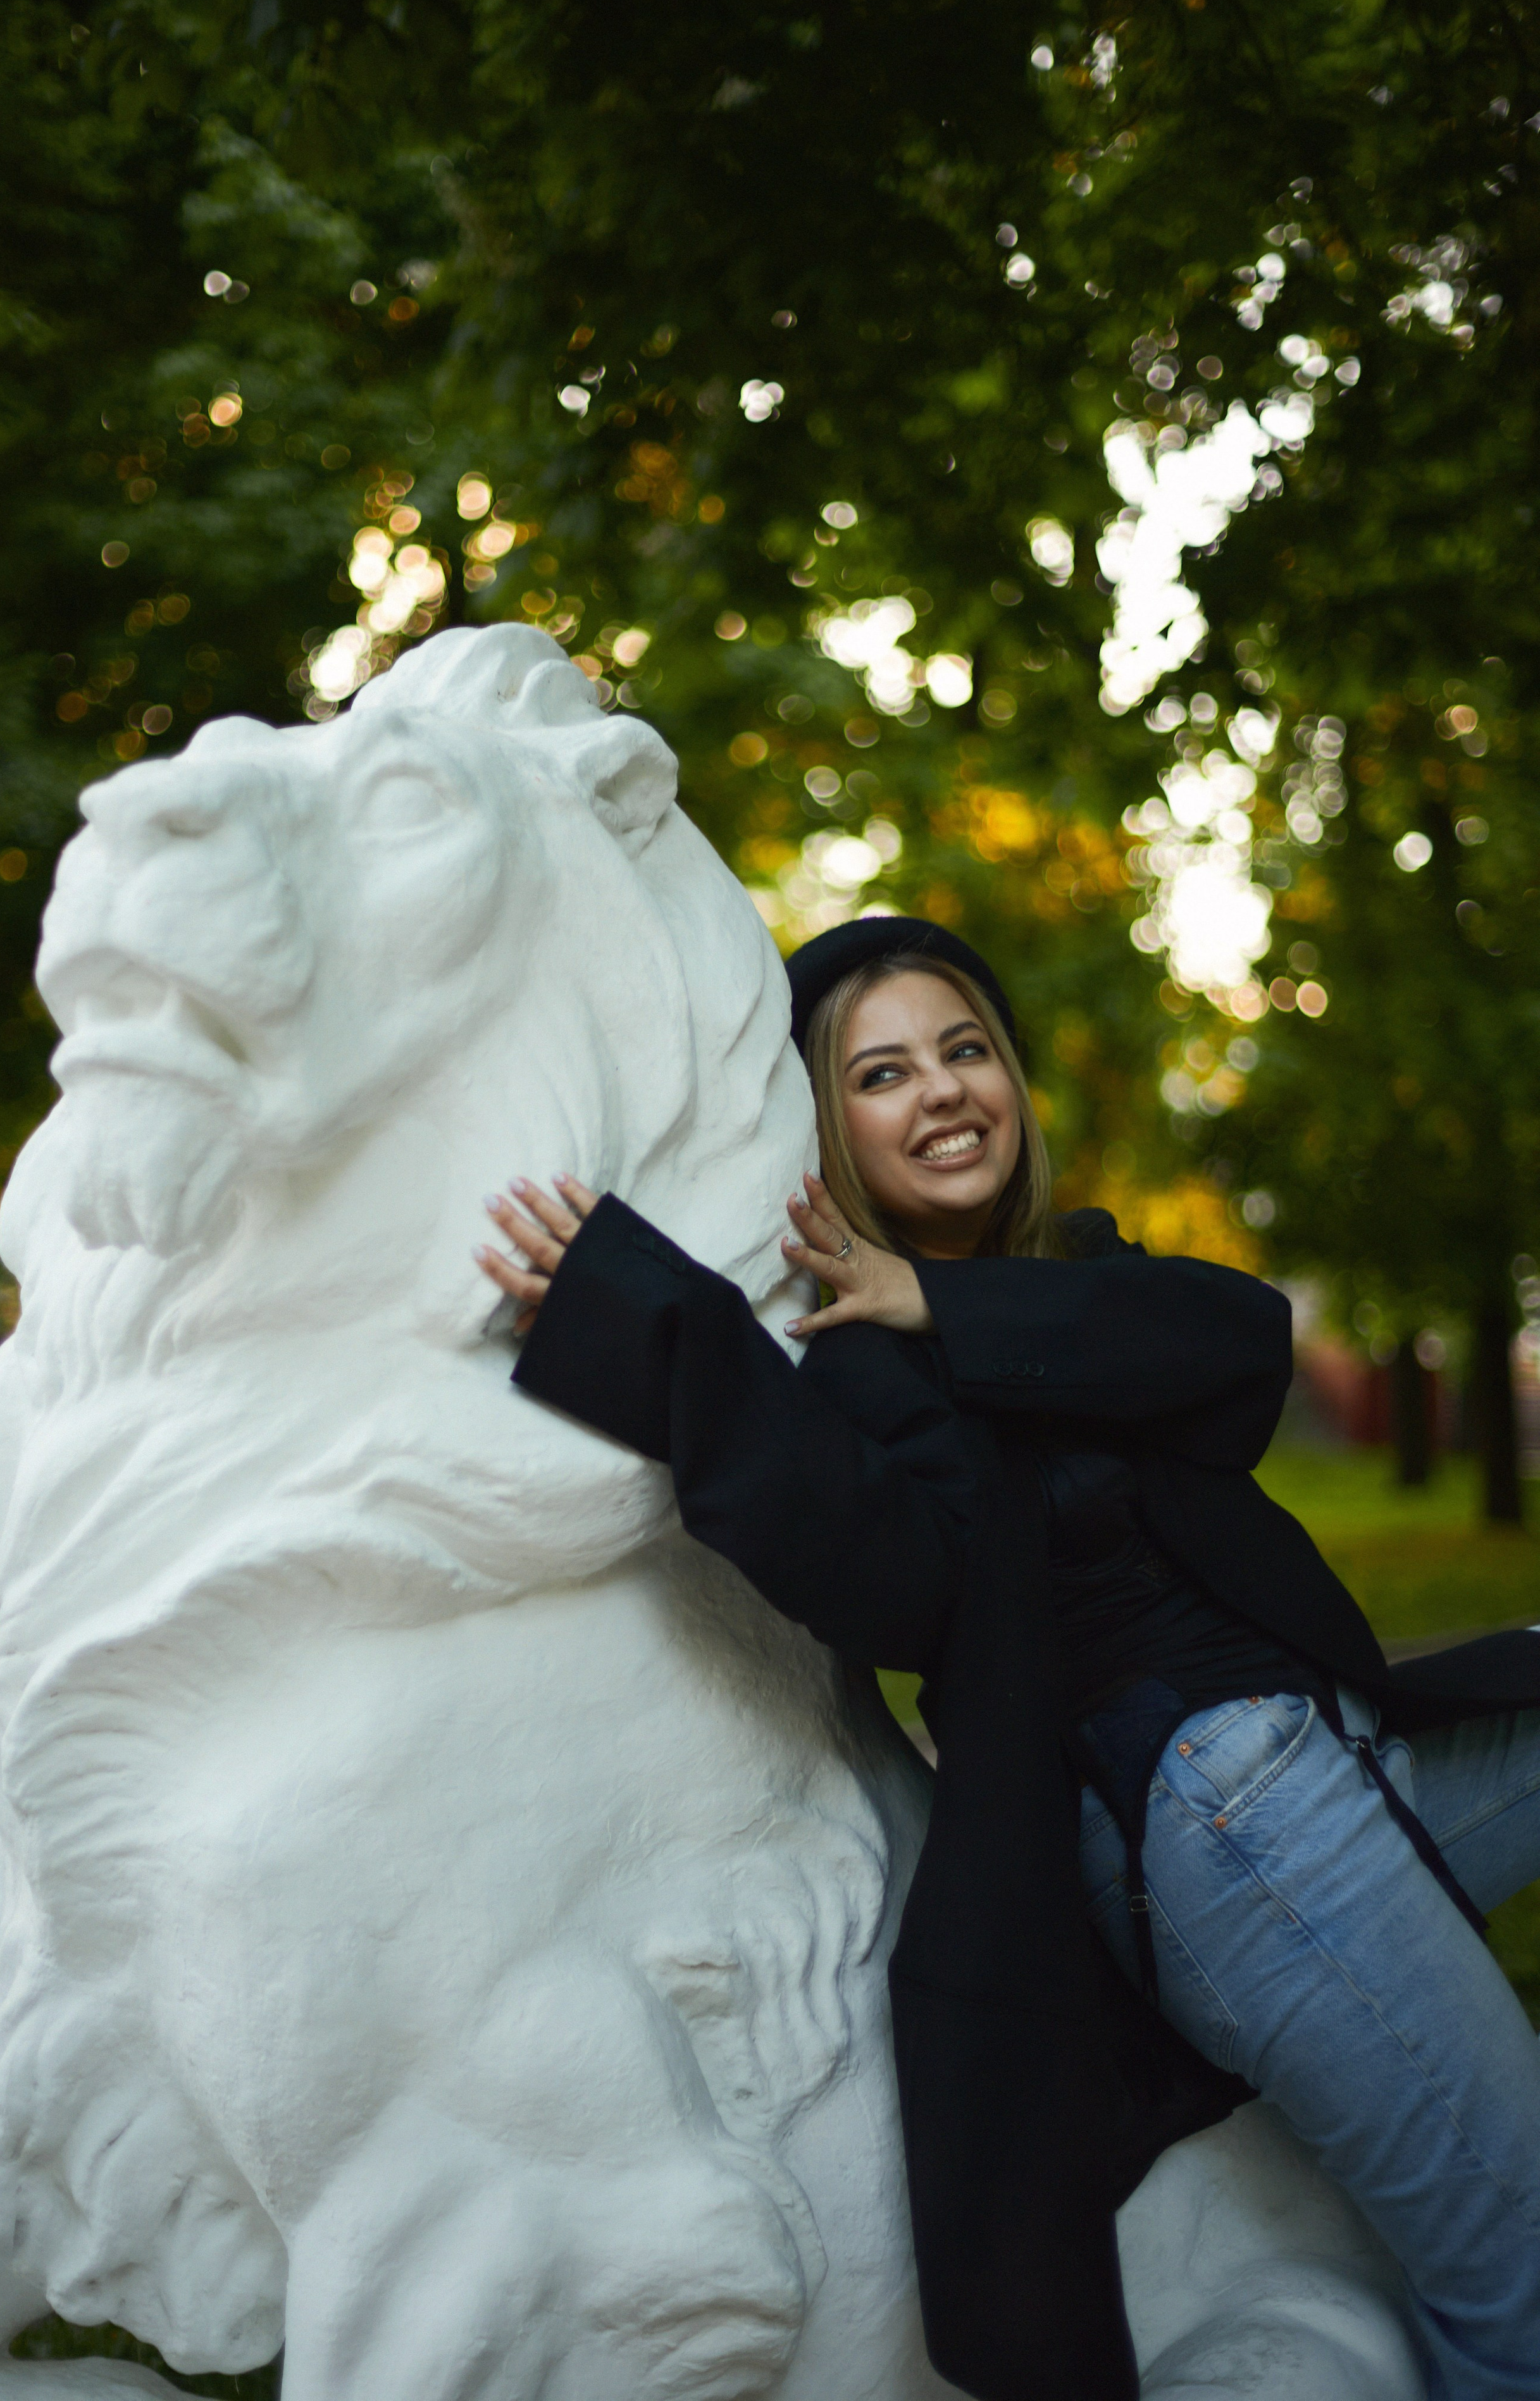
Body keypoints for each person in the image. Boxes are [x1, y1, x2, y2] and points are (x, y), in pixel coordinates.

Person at [475, 914, 1540, 2401]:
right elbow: (888, 1566)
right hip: (1226, 1819)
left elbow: (1233, 1344)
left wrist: (946, 1298)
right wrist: (650, 1325)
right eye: (882, 1073)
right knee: (1521, 2281)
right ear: (824, 1128)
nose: (942, 1092)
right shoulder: (855, 1371)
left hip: (1331, 1758)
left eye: (963, 1050)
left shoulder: (1072, 1287)